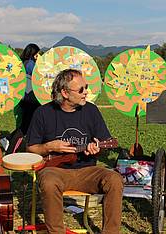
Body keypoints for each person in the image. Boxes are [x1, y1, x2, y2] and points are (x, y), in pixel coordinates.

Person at [26, 69, 123, 234]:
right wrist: (50, 147)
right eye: (81, 90)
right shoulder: (43, 113)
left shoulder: (91, 111)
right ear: (64, 92)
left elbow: (105, 142)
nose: (86, 92)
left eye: (86, 87)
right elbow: (31, 148)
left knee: (114, 179)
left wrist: (96, 149)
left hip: (87, 171)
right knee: (49, 182)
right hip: (54, 171)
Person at [0, 43, 41, 152]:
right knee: (25, 127)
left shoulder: (23, 62)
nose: (39, 55)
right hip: (30, 99)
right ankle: (11, 150)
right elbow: (38, 76)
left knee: (26, 124)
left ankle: (8, 139)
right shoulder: (30, 64)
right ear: (33, 53)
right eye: (37, 53)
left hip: (24, 99)